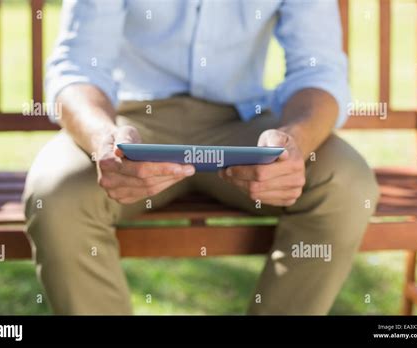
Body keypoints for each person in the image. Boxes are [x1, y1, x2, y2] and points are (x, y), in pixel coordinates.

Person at [23, 0, 379, 315]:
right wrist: (103, 139)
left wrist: (295, 142)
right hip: (131, 124)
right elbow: (79, 66)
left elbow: (318, 70)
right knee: (55, 194)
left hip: (242, 122)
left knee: (345, 182)